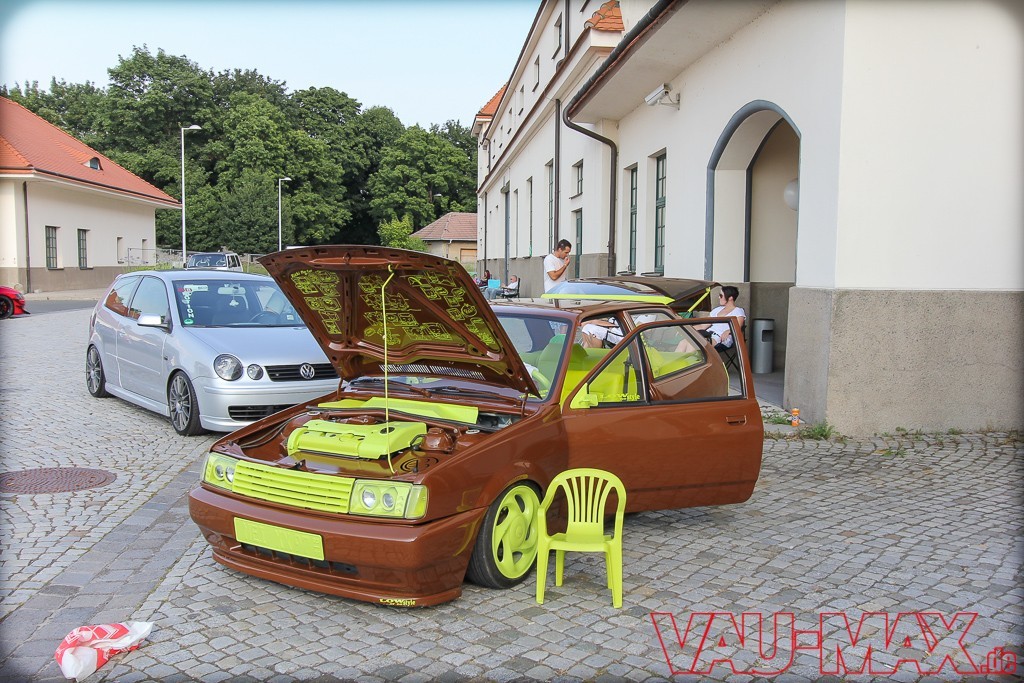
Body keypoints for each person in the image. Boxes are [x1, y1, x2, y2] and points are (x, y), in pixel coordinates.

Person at [696, 285, 746, 350]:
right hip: (707, 334)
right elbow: (703, 326)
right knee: (686, 342)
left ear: (730, 298)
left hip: (719, 337)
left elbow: (738, 326)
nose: (719, 297)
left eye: (721, 295)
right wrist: (686, 328)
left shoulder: (738, 311)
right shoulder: (717, 310)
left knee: (695, 345)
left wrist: (728, 331)